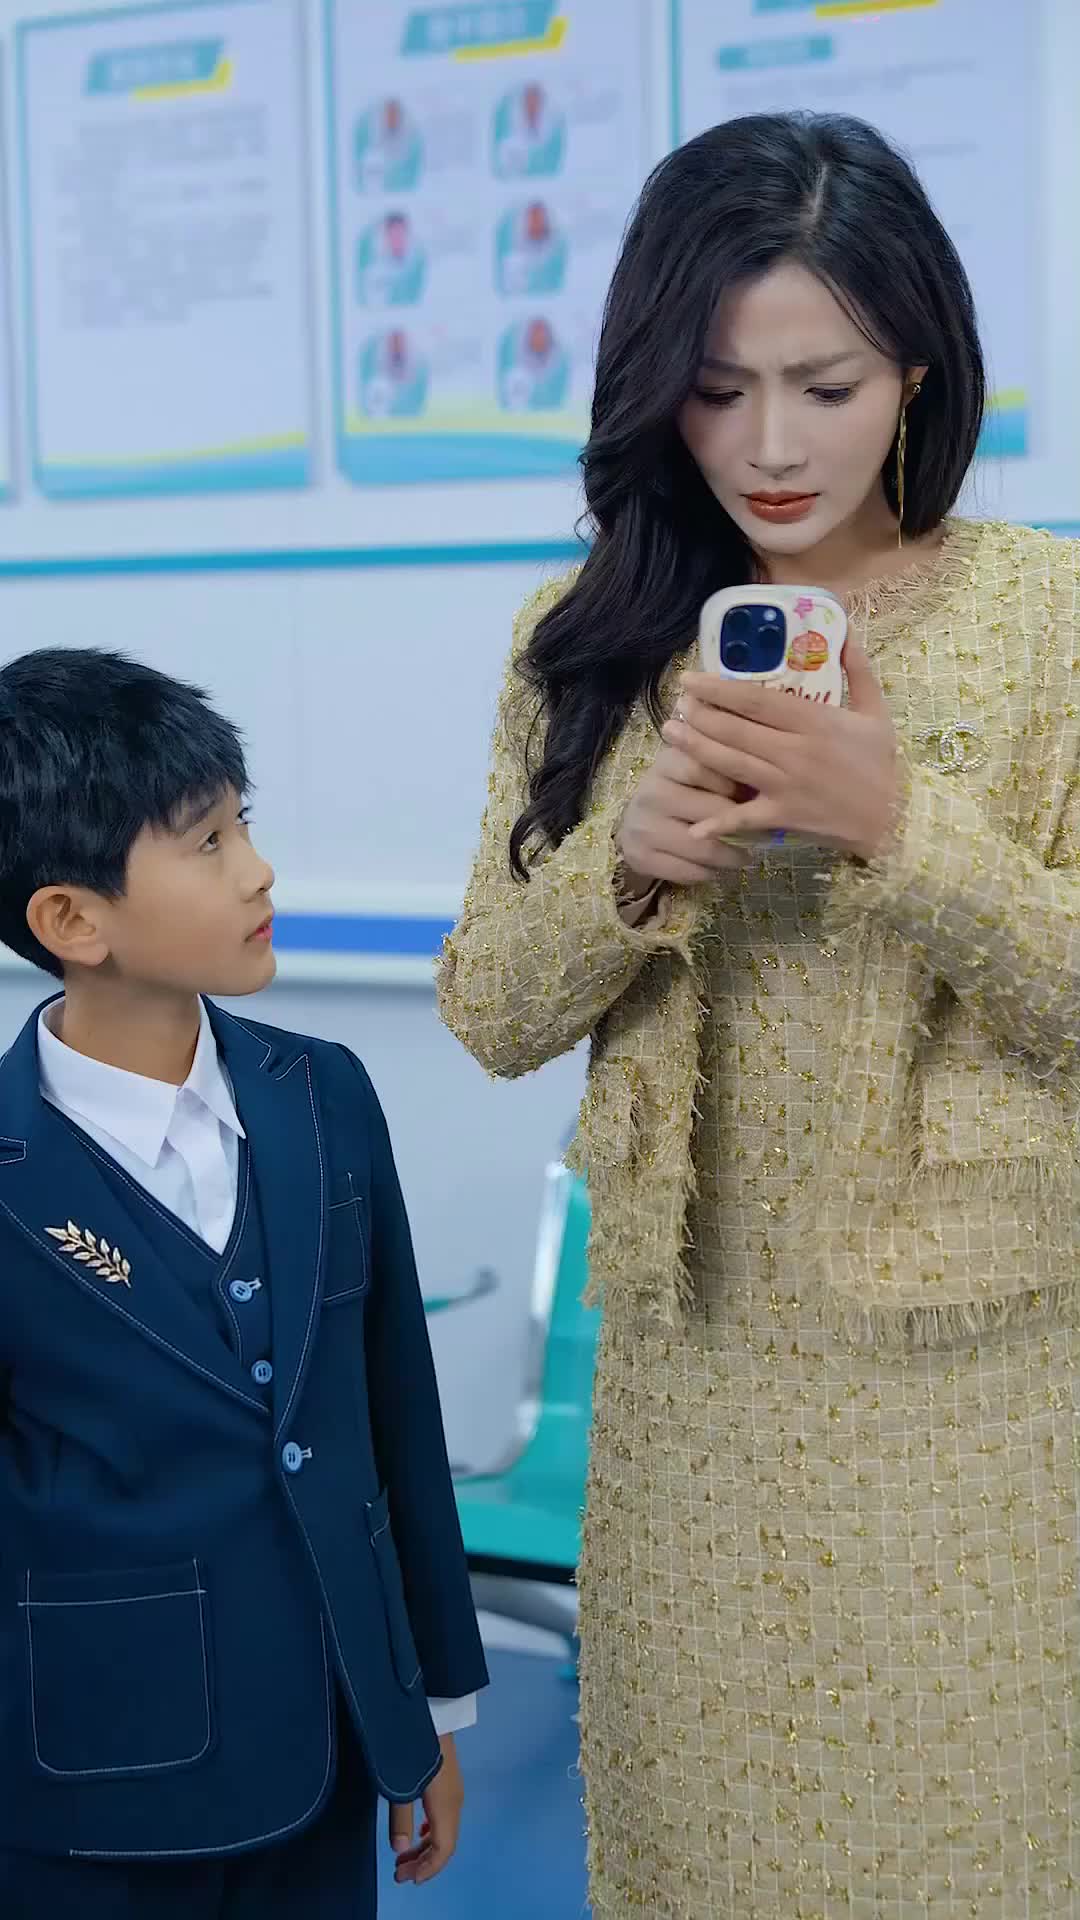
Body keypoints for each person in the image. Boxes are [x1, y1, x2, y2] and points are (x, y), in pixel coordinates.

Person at [439, 112, 1080, 1918]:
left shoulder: (1053, 621)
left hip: (980, 1401)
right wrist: (626, 869)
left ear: (919, 369)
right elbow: (488, 1010)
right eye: (718, 392)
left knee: (975, 1859)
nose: (773, 447)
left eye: (827, 385)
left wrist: (902, 829)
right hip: (691, 1395)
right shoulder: (589, 633)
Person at [0, 649, 487, 1918]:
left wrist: (430, 1705)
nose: (258, 870)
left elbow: (395, 1410)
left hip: (331, 1734)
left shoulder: (324, 1095)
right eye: (207, 843)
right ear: (73, 921)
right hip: (85, 1768)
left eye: (244, 824)